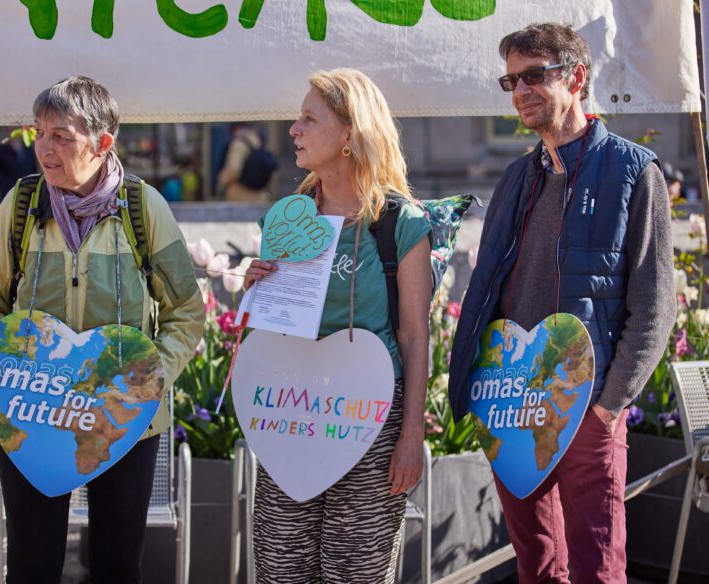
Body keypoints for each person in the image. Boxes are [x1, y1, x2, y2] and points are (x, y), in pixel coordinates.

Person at [447, 23, 675, 583]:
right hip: (513, 402)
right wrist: (477, 387)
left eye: (533, 76)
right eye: (511, 80)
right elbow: (485, 291)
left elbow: (655, 306)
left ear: (575, 77)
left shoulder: (632, 171)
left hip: (586, 406)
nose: (520, 90)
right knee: (538, 565)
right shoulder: (515, 177)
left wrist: (607, 407)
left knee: (598, 568)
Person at [0, 76, 205, 584]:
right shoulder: (23, 207)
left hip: (124, 419)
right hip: (32, 412)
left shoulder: (143, 208)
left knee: (118, 565)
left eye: (62, 137)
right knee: (32, 564)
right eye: (39, 134)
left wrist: (145, 378)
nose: (44, 150)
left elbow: (186, 310)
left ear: (103, 144)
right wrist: (10, 374)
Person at [243, 68, 432, 583]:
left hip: (372, 424)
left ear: (350, 133)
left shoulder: (401, 222)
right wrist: (256, 291)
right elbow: (274, 327)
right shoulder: (287, 217)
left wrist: (411, 434)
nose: (293, 130)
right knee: (281, 566)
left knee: (355, 572)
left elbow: (416, 336)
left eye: (309, 118)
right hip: (290, 412)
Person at [216, 122, 271, 201]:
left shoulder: (239, 143)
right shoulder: (259, 140)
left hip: (240, 194)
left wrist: (221, 181)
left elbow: (233, 170)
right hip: (259, 195)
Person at [0, 130, 38, 200]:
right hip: (7, 193)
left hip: (27, 194)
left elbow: (34, 170)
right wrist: (3, 186)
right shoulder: (1, 150)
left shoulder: (28, 149)